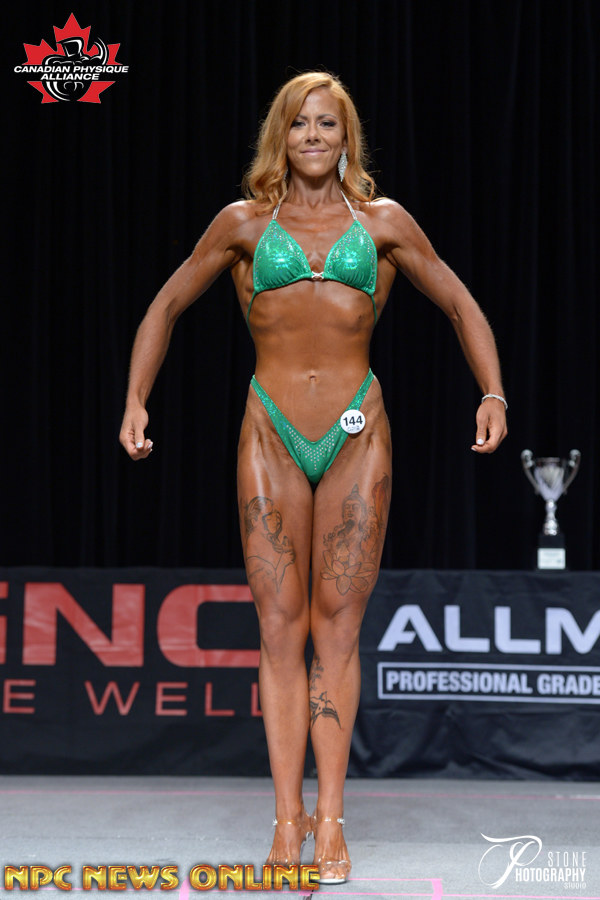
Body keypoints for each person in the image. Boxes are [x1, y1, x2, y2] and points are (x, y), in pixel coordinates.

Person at [119, 71, 507, 883]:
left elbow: (459, 301)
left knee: (336, 628)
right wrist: (135, 401)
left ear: (346, 136)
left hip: (358, 433)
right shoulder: (243, 224)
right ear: (281, 136)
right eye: (300, 124)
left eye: (328, 123)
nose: (314, 137)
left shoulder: (384, 222)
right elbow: (165, 305)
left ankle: (330, 820)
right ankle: (285, 820)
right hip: (270, 431)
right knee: (278, 628)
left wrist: (492, 393)